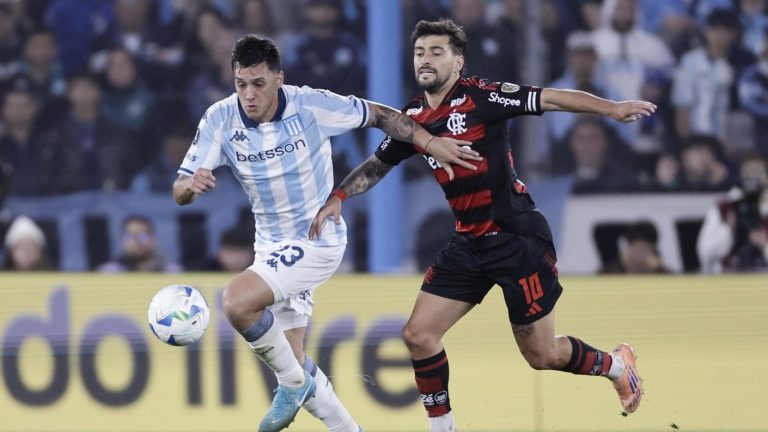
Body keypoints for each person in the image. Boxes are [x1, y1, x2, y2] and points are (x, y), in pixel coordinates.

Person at [310, 19, 654, 431]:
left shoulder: (481, 96)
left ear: (458, 62)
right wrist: (339, 196)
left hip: (517, 239)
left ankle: (617, 366)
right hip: (469, 243)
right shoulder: (414, 118)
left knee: (542, 355)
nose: (425, 59)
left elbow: (550, 98)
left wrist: (611, 109)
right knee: (418, 335)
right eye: (419, 52)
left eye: (436, 52)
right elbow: (378, 164)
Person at [172, 35, 476, 432]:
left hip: (317, 238)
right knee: (293, 357)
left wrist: (430, 142)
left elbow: (382, 116)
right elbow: (179, 189)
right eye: (241, 84)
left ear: (279, 79)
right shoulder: (219, 118)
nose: (249, 94)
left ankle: (291, 385)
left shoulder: (310, 105)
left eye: (259, 84)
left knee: (236, 303)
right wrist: (190, 186)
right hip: (270, 247)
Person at [697, 154, 768, 273]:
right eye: (749, 172)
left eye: (758, 172)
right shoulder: (724, 208)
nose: (753, 178)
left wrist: (765, 245)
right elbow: (705, 253)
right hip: (729, 275)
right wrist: (727, 231)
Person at [98, 215, 182, 273]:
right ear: (122, 240)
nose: (136, 241)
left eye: (142, 236)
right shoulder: (110, 272)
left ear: (153, 239)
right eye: (129, 236)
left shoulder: (170, 272)